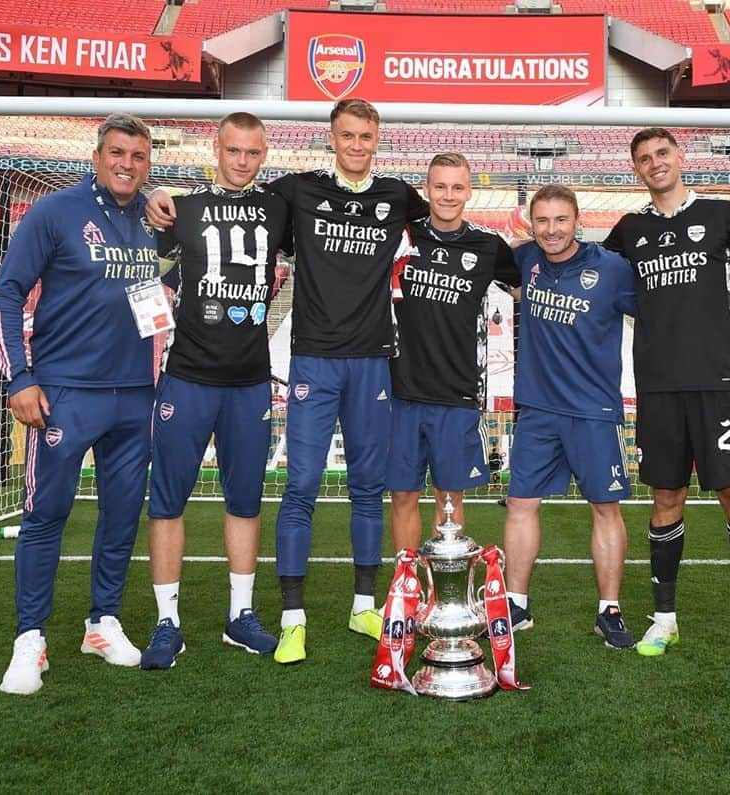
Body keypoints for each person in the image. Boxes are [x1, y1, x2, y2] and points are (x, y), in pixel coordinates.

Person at [150, 99, 428, 664]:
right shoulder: (295, 192)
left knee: (366, 488)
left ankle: (363, 605)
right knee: (300, 486)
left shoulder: (400, 196)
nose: (356, 144)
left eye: (365, 136)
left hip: (373, 358)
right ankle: (292, 614)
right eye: (346, 134)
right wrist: (162, 193)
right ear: (331, 137)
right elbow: (215, 201)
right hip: (312, 358)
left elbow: (442, 224)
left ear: (378, 139)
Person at [603, 127, 730, 671]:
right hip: (659, 388)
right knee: (666, 502)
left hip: (721, 384)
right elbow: (589, 283)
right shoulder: (630, 231)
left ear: (680, 156)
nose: (654, 163)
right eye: (644, 158)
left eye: (662, 153)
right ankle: (664, 619)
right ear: (636, 169)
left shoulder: (722, 214)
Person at [0, 113, 158, 694]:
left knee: (121, 514)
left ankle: (102, 622)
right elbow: (7, 294)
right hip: (64, 393)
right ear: (97, 156)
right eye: (117, 153)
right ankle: (29, 638)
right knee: (45, 515)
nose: (126, 164)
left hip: (135, 393)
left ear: (148, 163)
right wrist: (19, 379)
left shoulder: (152, 217)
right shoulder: (54, 212)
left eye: (138, 157)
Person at [138, 113, 293, 670]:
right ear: (216, 148)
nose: (243, 161)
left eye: (253, 152)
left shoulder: (279, 208)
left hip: (250, 381)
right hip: (187, 375)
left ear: (264, 152)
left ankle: (240, 616)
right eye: (234, 150)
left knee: (246, 501)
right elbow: (139, 247)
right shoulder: (184, 207)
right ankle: (166, 621)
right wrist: (154, 191)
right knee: (167, 499)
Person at [501, 185, 638, 650]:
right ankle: (516, 605)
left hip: (593, 411)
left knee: (605, 509)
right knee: (521, 504)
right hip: (538, 409)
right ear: (531, 224)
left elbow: (663, 314)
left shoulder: (612, 269)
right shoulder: (525, 260)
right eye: (542, 221)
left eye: (561, 220)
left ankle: (609, 611)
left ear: (577, 220)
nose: (552, 230)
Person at [386, 152, 520, 553]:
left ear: (469, 191)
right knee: (403, 497)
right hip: (399, 391)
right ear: (426, 189)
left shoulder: (488, 245)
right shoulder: (401, 237)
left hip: (458, 393)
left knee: (450, 500)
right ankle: (406, 590)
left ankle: (444, 593)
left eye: (457, 187)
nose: (448, 195)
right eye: (439, 186)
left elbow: (524, 289)